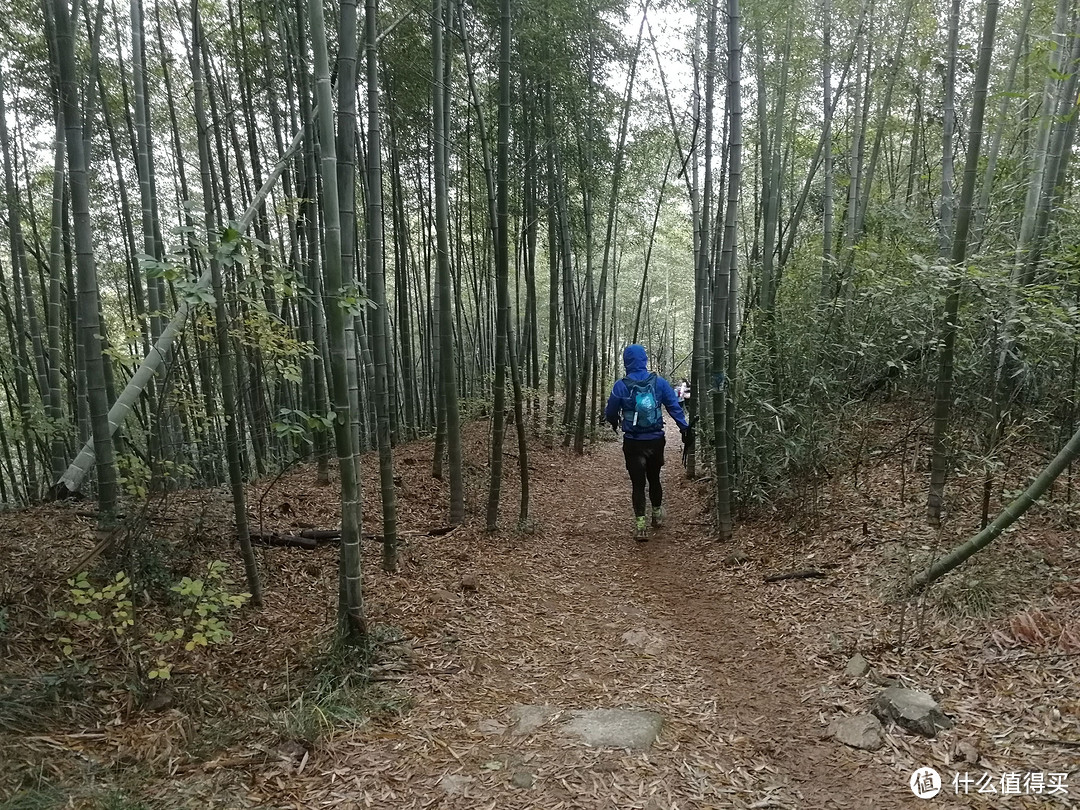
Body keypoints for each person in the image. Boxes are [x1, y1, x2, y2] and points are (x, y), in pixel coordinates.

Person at [604, 344, 692, 541]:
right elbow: (673, 406)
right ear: (644, 359)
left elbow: (610, 412)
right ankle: (658, 514)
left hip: (633, 442)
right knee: (654, 478)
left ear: (627, 361)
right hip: (655, 440)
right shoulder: (658, 383)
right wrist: (683, 427)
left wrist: (614, 422)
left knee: (637, 484)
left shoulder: (621, 385)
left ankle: (640, 526)